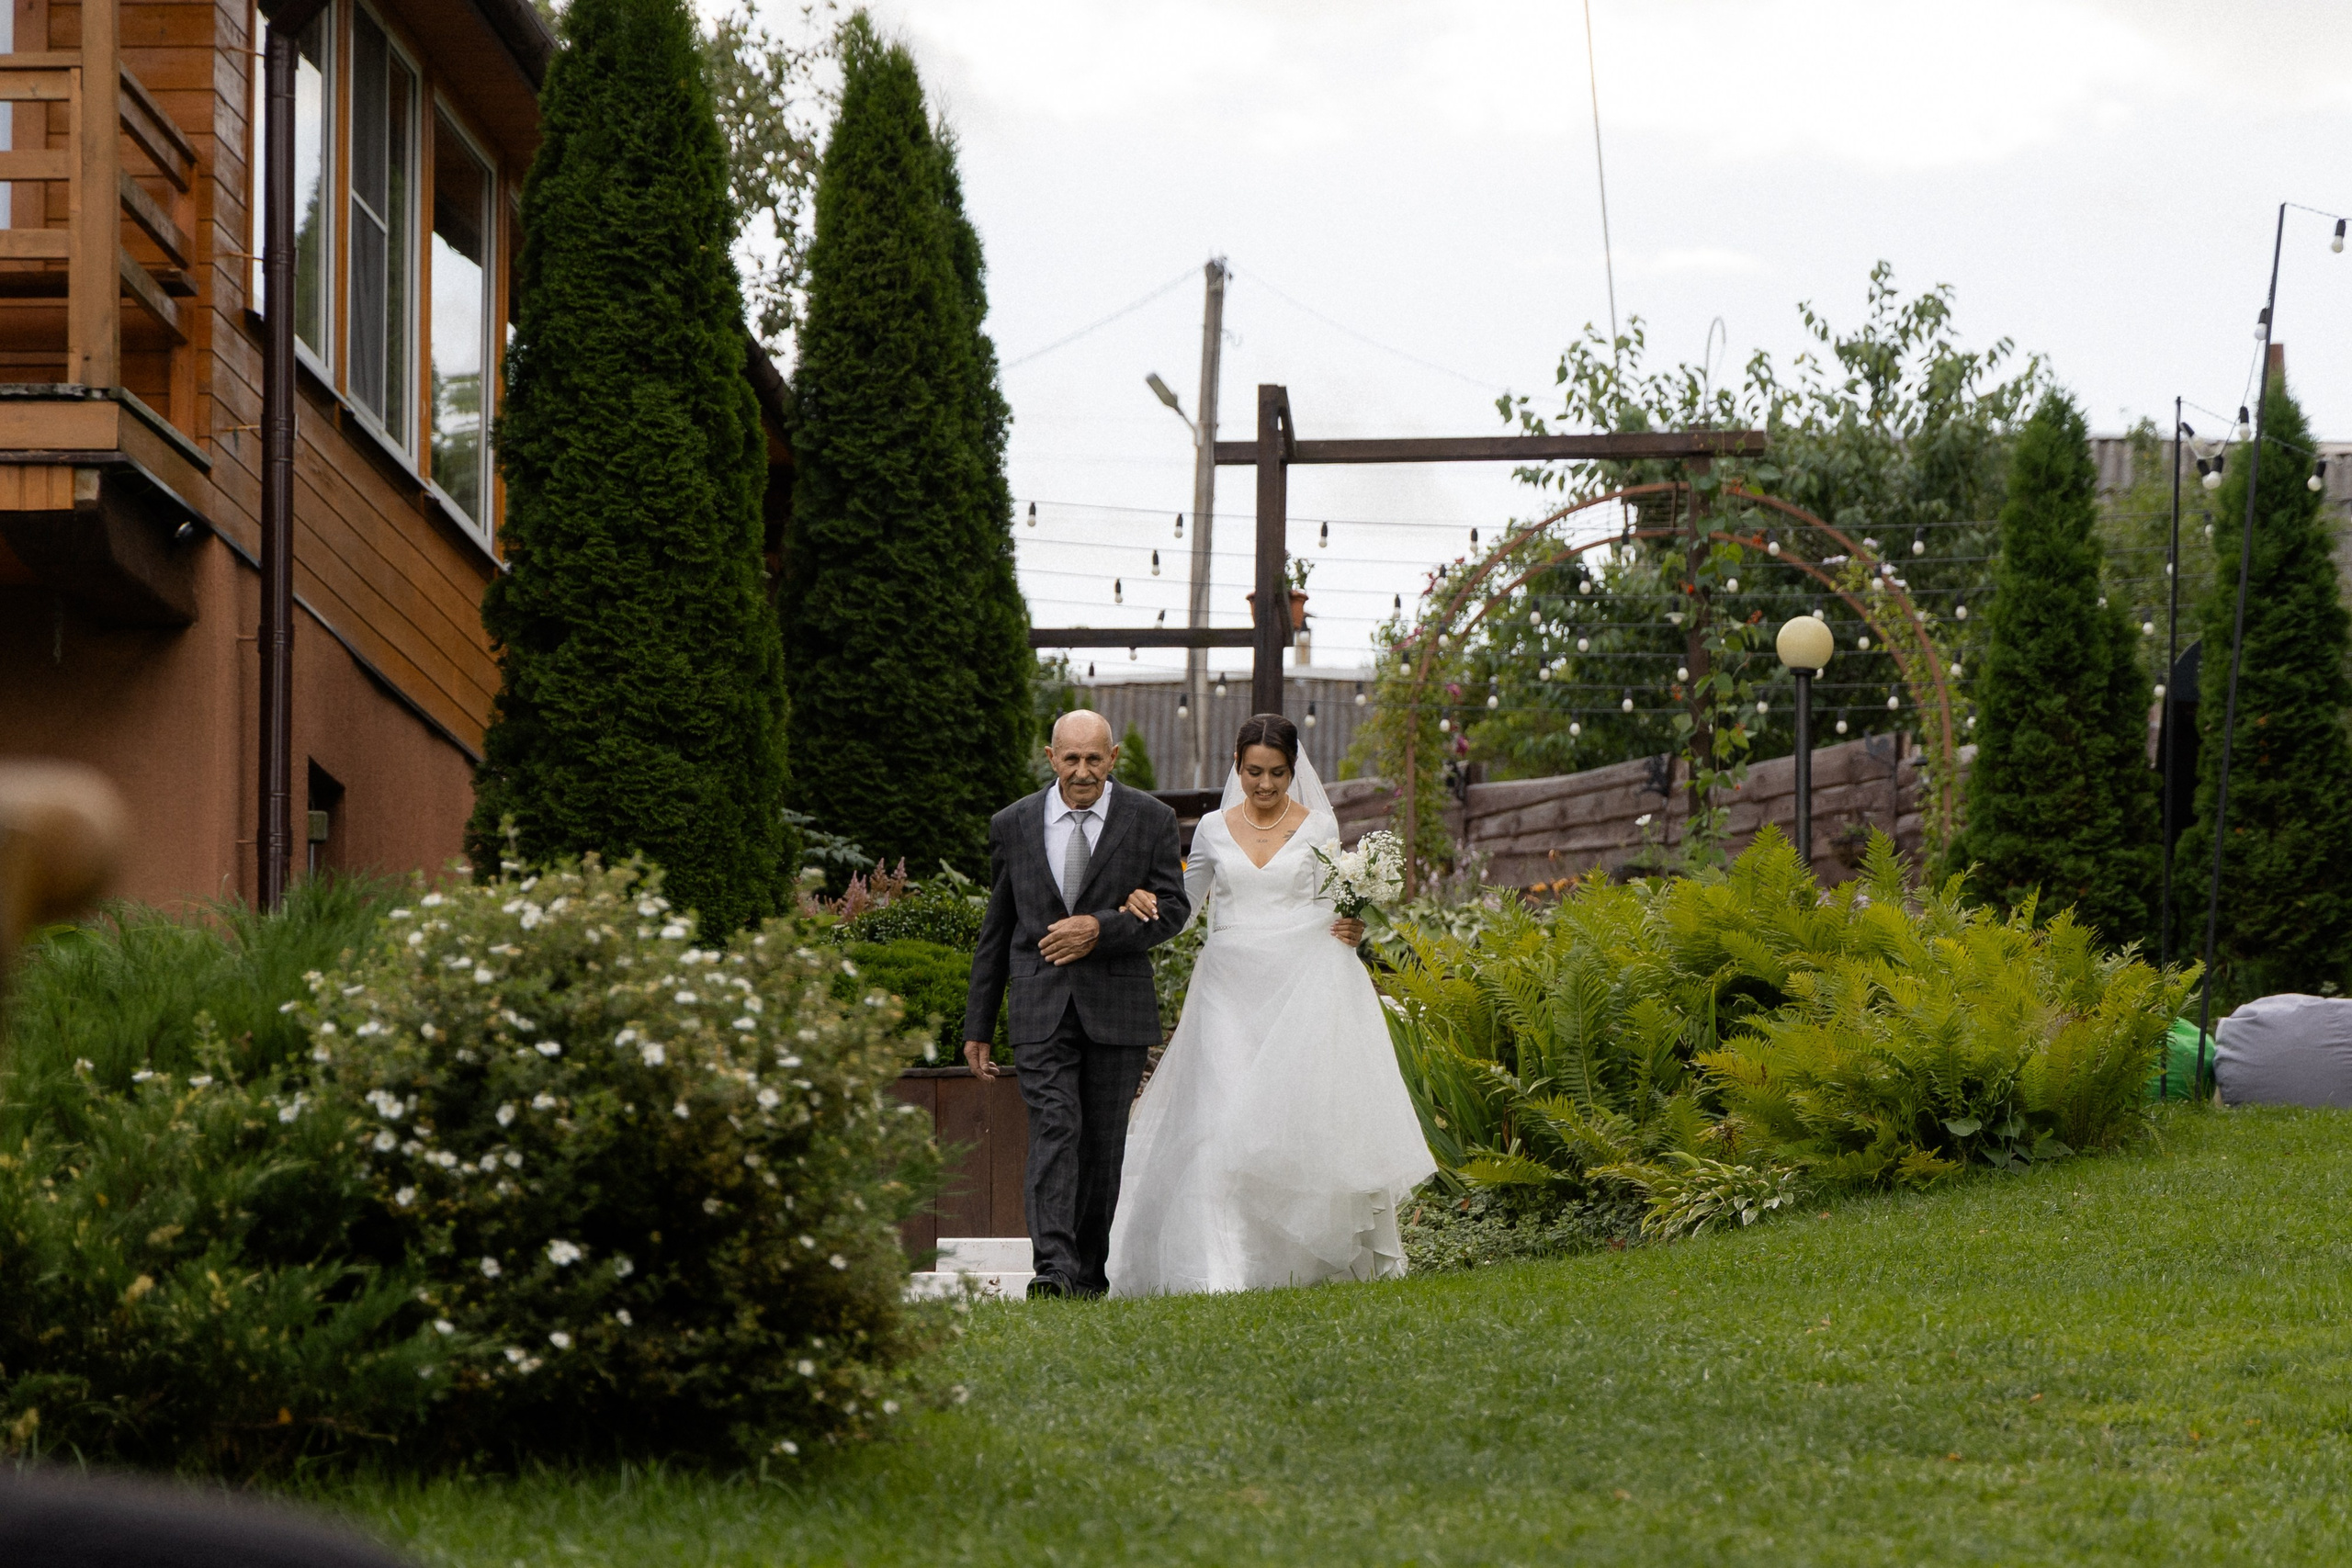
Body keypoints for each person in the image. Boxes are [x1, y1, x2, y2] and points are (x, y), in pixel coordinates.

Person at [1105, 713, 1435, 1295]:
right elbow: (1184, 908)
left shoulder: (1318, 826)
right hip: (1227, 992)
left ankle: (1294, 1262)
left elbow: (1333, 902)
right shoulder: (1210, 828)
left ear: (1293, 769)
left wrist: (1352, 923)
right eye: (1254, 772)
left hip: (1300, 989)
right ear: (1237, 766)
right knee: (1221, 1121)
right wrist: (1141, 904)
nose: (1264, 785)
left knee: (1286, 1125)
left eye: (1277, 773)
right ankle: (1221, 1266)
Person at [962, 710, 1191, 1299]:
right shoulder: (1012, 824)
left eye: (1095, 759)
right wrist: (978, 1023)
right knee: (1056, 1126)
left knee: (1102, 1145)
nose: (1083, 771)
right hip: (1040, 1003)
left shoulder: (1151, 820)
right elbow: (998, 927)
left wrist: (1102, 926)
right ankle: (1053, 1270)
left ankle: (1087, 1275)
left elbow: (1173, 908)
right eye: (1072, 758)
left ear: (1113, 757)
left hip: (1117, 1006)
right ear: (1050, 757)